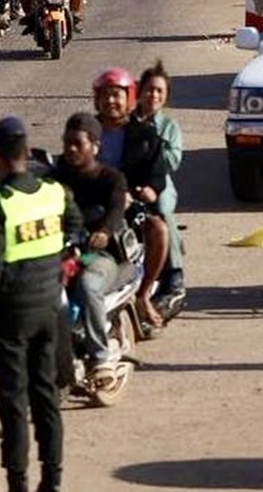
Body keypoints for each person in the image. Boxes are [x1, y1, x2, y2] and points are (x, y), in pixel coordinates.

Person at [0, 116, 81, 492]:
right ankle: (52, 481)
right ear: (26, 153)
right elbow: (74, 228)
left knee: (13, 405)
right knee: (46, 399)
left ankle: (18, 484)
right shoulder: (53, 192)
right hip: (50, 310)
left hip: (13, 316)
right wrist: (63, 255)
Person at [45, 113, 130, 383]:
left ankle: (100, 356)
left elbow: (117, 210)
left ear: (94, 146)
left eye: (77, 144)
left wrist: (104, 232)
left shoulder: (111, 178)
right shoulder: (54, 178)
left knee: (88, 285)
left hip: (100, 256)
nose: (70, 149)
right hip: (60, 253)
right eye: (67, 143)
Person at [93, 67, 171, 329]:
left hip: (130, 206)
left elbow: (157, 173)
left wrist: (148, 189)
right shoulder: (86, 132)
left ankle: (143, 294)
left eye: (117, 95)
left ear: (129, 98)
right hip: (90, 206)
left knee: (159, 230)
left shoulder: (146, 136)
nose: (111, 101)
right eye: (105, 95)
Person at [136, 62, 187, 317]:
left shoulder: (169, 127)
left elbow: (172, 161)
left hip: (159, 183)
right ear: (139, 91)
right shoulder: (127, 121)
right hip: (128, 182)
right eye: (150, 89)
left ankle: (175, 276)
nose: (153, 95)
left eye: (159, 91)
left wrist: (149, 149)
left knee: (163, 213)